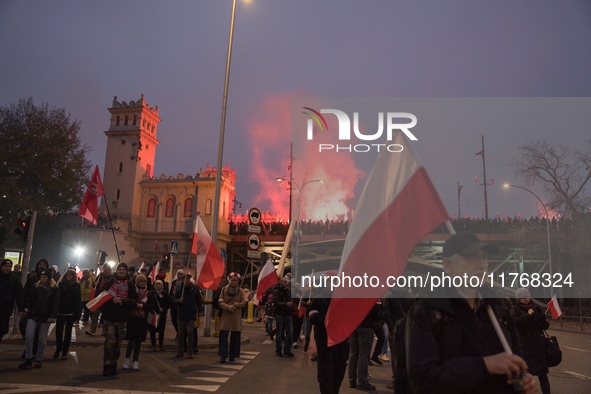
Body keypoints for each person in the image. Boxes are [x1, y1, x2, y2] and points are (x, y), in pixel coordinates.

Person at [406, 232, 540, 394]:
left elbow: (513, 364)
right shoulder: (428, 310)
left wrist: (521, 384)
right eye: (470, 257)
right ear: (447, 265)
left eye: (484, 257)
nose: (481, 264)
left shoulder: (496, 307)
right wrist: (484, 366)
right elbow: (423, 380)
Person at [308, 276, 349, 394]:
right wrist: (331, 318)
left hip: (340, 340)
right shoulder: (317, 300)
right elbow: (312, 317)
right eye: (332, 281)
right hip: (324, 339)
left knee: (339, 370)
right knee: (325, 371)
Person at [100, 262, 138, 376]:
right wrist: (112, 301)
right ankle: (106, 365)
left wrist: (124, 301)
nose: (121, 271)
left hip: (122, 319)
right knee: (109, 343)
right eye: (120, 269)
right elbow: (101, 297)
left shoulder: (130, 285)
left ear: (126, 272)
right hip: (109, 318)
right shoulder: (110, 282)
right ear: (117, 270)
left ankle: (114, 364)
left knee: (118, 345)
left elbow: (134, 301)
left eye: (124, 270)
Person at [511, 288, 551, 394]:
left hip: (538, 346)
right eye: (523, 298)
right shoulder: (515, 310)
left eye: (527, 297)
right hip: (525, 347)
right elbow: (516, 323)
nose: (526, 300)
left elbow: (545, 326)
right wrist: (528, 315)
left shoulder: (536, 308)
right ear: (518, 299)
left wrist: (543, 319)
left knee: (543, 375)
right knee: (522, 374)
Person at [19, 267, 60, 369]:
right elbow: (30, 298)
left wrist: (52, 316)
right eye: (41, 277)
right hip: (34, 314)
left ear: (49, 278)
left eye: (44, 277)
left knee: (42, 338)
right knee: (29, 335)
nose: (42, 279)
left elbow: (55, 303)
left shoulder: (54, 289)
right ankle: (29, 357)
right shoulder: (36, 286)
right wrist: (26, 309)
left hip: (45, 316)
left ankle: (39, 359)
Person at [348, 300, 381, 390]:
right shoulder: (369, 297)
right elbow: (376, 313)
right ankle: (362, 381)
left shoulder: (352, 295)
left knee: (353, 353)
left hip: (353, 325)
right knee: (363, 355)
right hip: (365, 327)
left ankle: (352, 380)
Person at [123, 274, 153, 370]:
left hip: (142, 319)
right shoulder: (133, 291)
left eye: (144, 281)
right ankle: (127, 359)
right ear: (137, 282)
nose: (142, 283)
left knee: (139, 341)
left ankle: (135, 361)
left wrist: (143, 306)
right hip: (133, 318)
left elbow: (151, 306)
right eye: (140, 281)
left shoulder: (148, 293)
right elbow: (127, 302)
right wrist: (136, 304)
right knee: (131, 340)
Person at [218, 272, 246, 363]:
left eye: (235, 280)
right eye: (232, 280)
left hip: (236, 316)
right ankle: (223, 355)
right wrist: (227, 307)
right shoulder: (224, 290)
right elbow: (220, 301)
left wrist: (235, 305)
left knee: (235, 337)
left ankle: (233, 355)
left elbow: (243, 303)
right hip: (226, 315)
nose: (234, 282)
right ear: (229, 280)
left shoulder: (240, 291)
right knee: (223, 336)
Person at [54, 268, 81, 360]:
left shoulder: (76, 286)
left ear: (74, 277)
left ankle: (64, 352)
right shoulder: (60, 285)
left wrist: (77, 314)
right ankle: (58, 349)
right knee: (58, 332)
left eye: (71, 275)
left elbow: (78, 301)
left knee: (68, 333)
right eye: (67, 275)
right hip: (60, 312)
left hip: (70, 312)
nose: (69, 277)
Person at [174, 273, 203, 359]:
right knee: (180, 333)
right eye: (184, 279)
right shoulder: (179, 289)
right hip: (182, 313)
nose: (186, 280)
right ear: (182, 280)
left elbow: (199, 300)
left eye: (188, 279)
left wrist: (200, 311)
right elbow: (174, 300)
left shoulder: (195, 289)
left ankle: (190, 351)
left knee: (190, 332)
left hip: (191, 313)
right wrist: (178, 301)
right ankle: (180, 350)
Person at [0, 259, 24, 344]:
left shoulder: (15, 279)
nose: (8, 268)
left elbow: (19, 294)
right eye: (5, 266)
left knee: (3, 328)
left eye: (10, 266)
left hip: (6, 308)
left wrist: (21, 309)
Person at [86, 264, 113, 336]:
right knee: (95, 313)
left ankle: (105, 331)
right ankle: (92, 329)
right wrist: (95, 284)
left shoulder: (112, 278)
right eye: (104, 268)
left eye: (106, 268)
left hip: (107, 298)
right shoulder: (100, 276)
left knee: (105, 315)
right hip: (99, 297)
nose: (105, 269)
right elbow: (94, 286)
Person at [273, 276, 295, 357]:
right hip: (280, 314)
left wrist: (291, 307)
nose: (286, 283)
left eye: (287, 282)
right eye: (285, 282)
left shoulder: (288, 291)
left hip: (288, 314)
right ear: (281, 282)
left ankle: (287, 350)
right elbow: (276, 302)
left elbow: (290, 300)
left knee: (290, 332)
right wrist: (286, 304)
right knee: (279, 333)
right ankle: (278, 350)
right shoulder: (277, 291)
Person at [148, 279, 171, 351]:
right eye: (157, 284)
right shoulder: (151, 293)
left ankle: (161, 344)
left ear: (162, 286)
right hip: (153, 314)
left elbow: (169, 303)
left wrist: (164, 309)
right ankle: (153, 344)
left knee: (161, 330)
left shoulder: (165, 293)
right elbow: (148, 302)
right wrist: (151, 309)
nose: (158, 285)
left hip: (162, 314)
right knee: (152, 330)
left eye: (159, 284)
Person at [169, 269, 185, 339]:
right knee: (173, 319)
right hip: (174, 303)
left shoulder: (184, 284)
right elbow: (170, 292)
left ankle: (180, 334)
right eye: (178, 274)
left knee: (179, 320)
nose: (179, 276)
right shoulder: (174, 283)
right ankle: (178, 331)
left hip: (180, 304)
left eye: (181, 275)